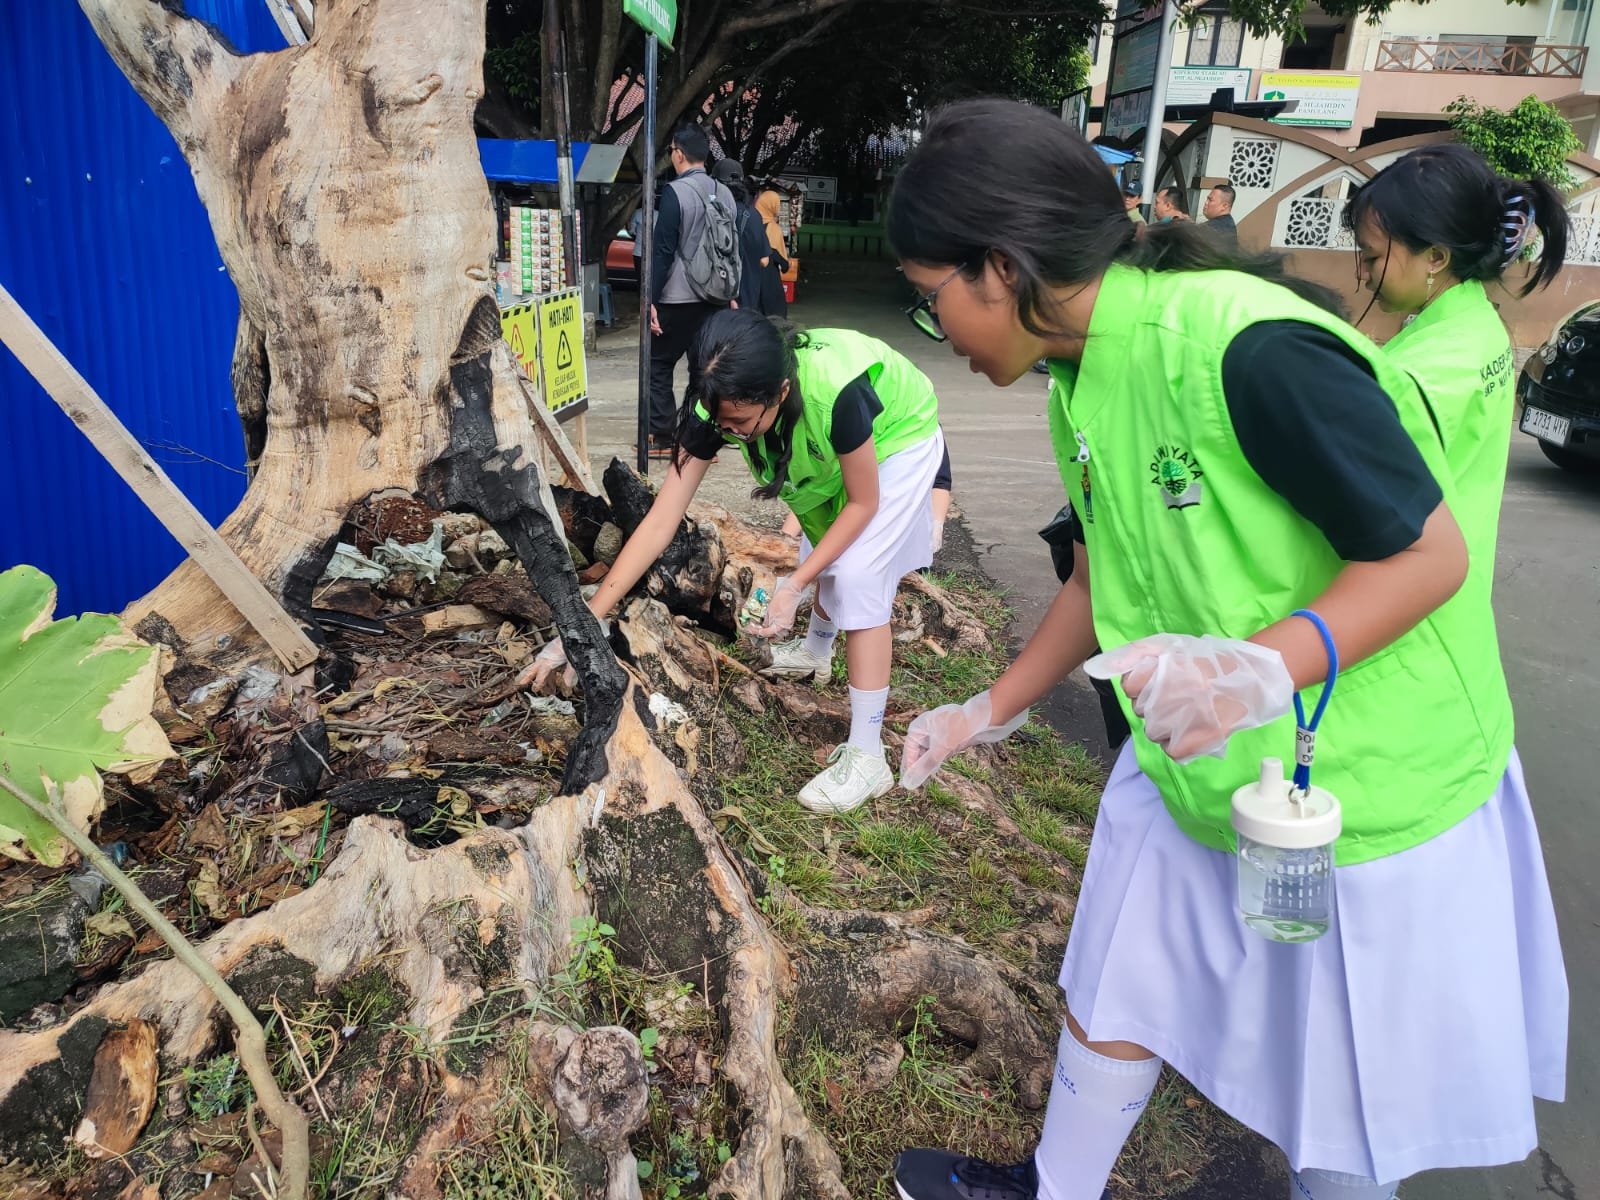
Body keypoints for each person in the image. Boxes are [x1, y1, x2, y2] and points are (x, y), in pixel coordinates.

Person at [883, 98, 1565, 1200]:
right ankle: (1056, 1188)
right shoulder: (1077, 372)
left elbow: (1429, 559)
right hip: (1198, 754)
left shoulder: (1245, 349)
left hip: (1355, 786)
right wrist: (985, 709)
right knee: (1110, 979)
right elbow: (1103, 569)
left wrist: (1260, 668)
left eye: (932, 304)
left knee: (1337, 1096)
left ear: (1000, 269)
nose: (940, 337)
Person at [529, 310, 945, 814]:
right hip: (831, 444)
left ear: (781, 393)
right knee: (824, 546)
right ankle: (817, 654)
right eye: (723, 422)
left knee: (858, 574)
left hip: (898, 437)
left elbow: (862, 504)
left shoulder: (838, 393)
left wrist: (794, 587)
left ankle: (868, 752)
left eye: (742, 424)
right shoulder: (718, 406)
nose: (731, 433)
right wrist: (585, 619)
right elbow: (661, 521)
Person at [1346, 143, 1567, 559]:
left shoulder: (1421, 373)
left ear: (1434, 256)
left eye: (1372, 256)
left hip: (1408, 615)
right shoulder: (1480, 323)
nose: (1362, 270)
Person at [646, 124, 737, 459]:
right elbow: (732, 249)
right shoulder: (725, 193)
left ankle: (661, 437)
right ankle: (701, 443)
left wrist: (650, 300)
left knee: (658, 365)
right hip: (715, 299)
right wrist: (731, 292)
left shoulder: (675, 193)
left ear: (678, 154)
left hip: (676, 297)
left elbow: (663, 251)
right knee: (705, 371)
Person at [712, 158, 776, 315]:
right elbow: (764, 261)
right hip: (747, 300)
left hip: (716, 299)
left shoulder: (712, 212)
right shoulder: (754, 215)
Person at [755, 185, 792, 317]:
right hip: (769, 280)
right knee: (775, 318)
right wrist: (787, 264)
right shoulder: (774, 228)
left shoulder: (752, 223)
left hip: (751, 279)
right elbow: (782, 263)